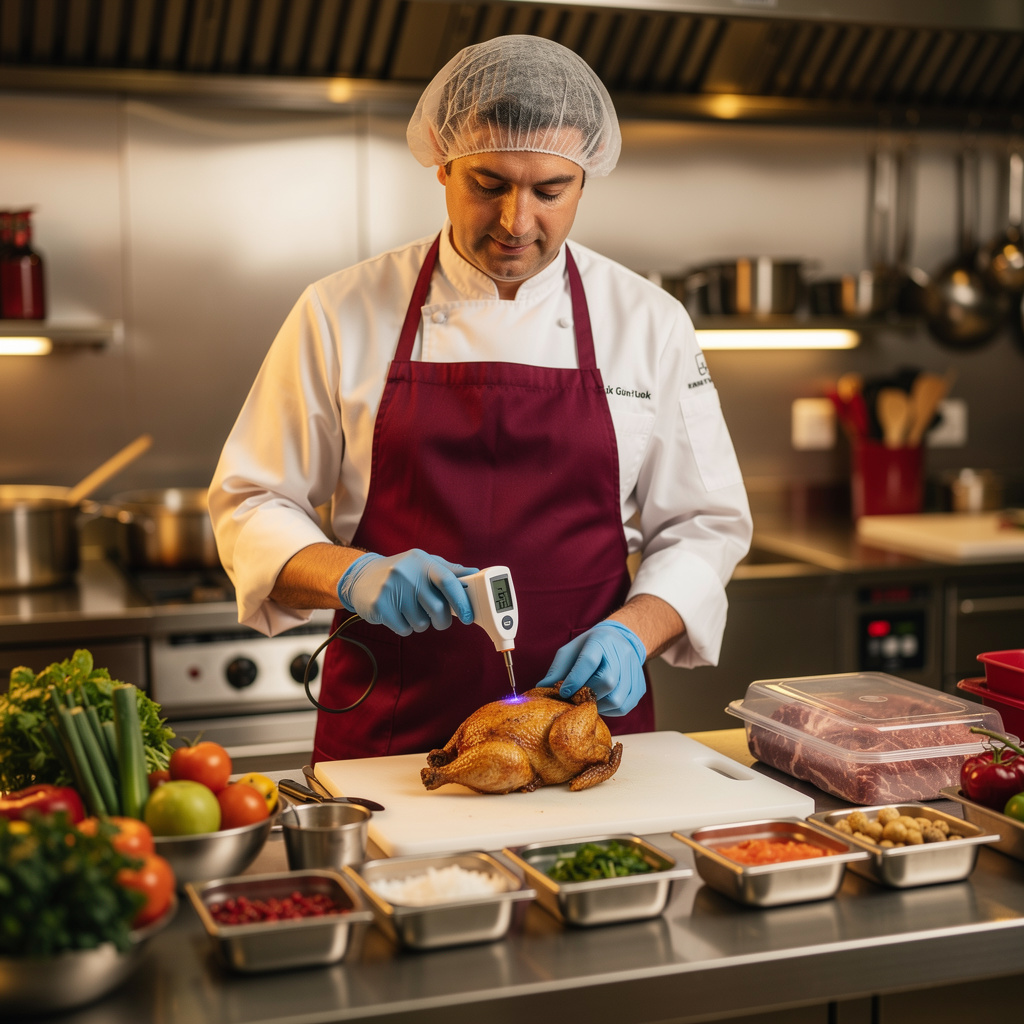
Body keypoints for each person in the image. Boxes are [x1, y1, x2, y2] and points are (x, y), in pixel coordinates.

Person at [209, 35, 752, 764]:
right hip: (389, 734)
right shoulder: (339, 310)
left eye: (550, 192)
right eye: (489, 184)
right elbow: (253, 503)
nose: (515, 222)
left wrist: (634, 633)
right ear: (443, 164)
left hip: (578, 733)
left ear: (585, 181)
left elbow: (704, 525)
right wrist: (352, 574)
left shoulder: (648, 322)